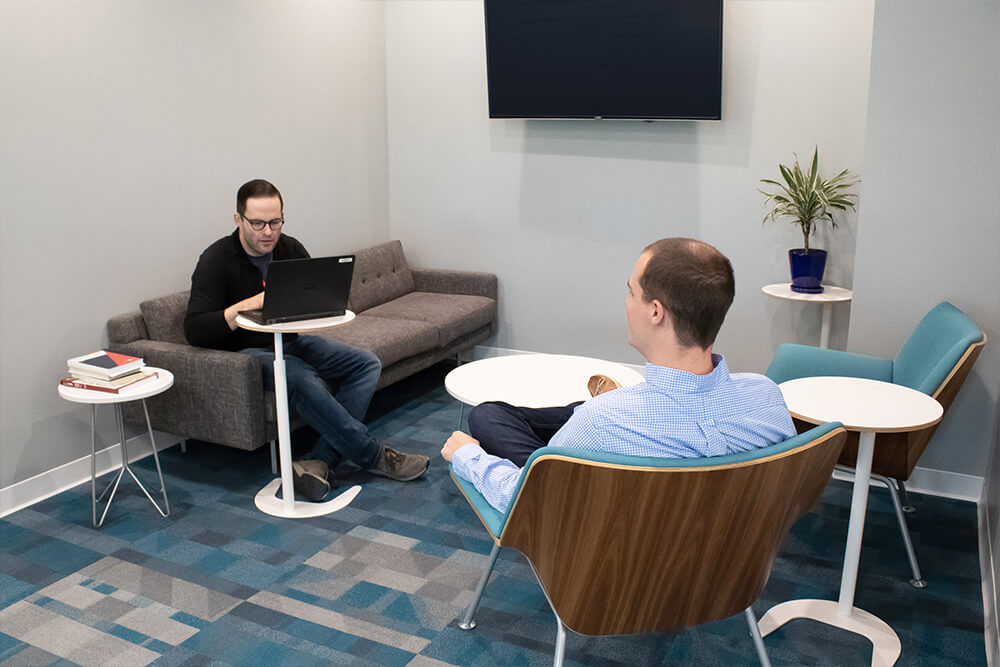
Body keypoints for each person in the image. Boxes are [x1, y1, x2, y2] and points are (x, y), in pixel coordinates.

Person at [441, 237, 796, 513]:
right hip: (731, 572)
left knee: (491, 423)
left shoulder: (600, 424)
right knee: (498, 413)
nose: (627, 302)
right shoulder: (767, 398)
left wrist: (469, 456)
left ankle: (549, 466)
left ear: (656, 312)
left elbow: (519, 497)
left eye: (632, 292)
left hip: (619, 575)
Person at [185, 179, 429, 501]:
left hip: (290, 341)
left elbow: (314, 298)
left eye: (275, 222)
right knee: (298, 375)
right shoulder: (216, 260)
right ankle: (373, 456)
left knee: (365, 363)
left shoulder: (289, 249)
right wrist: (249, 304)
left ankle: (319, 462)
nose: (268, 232)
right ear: (238, 220)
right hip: (243, 354)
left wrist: (321, 302)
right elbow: (195, 329)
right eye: (257, 223)